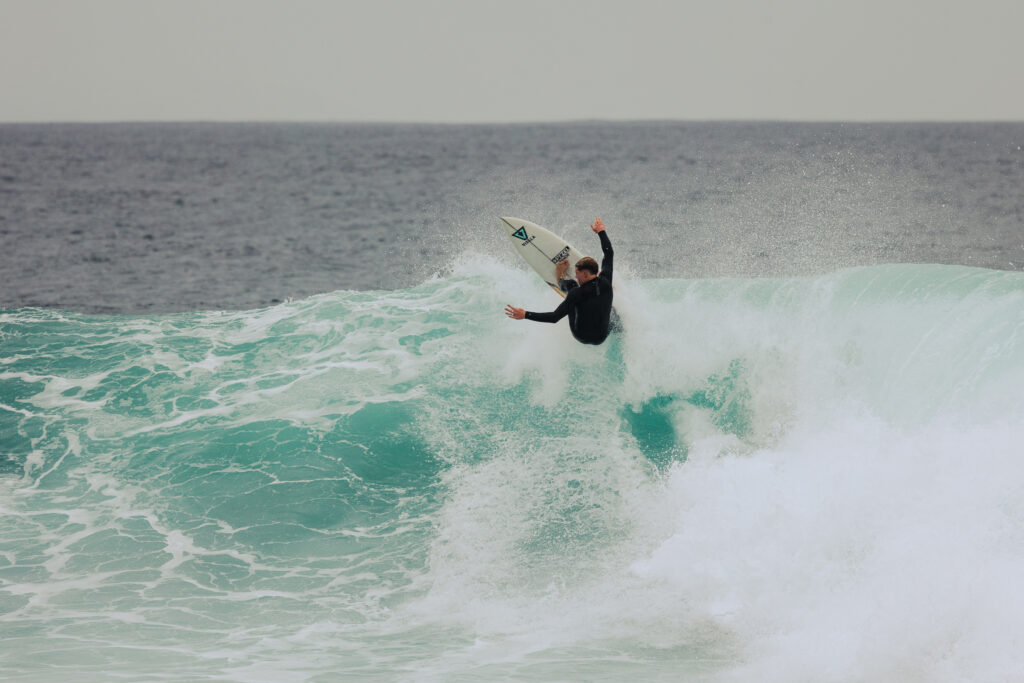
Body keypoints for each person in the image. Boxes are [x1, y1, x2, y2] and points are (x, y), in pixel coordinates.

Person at [504, 218, 615, 345]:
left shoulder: (576, 293)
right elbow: (609, 253)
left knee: (571, 286)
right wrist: (601, 232)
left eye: (577, 273)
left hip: (582, 336)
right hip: (602, 336)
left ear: (585, 273)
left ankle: (560, 277)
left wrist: (525, 314)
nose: (575, 275)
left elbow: (554, 317)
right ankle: (619, 328)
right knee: (614, 312)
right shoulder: (606, 279)